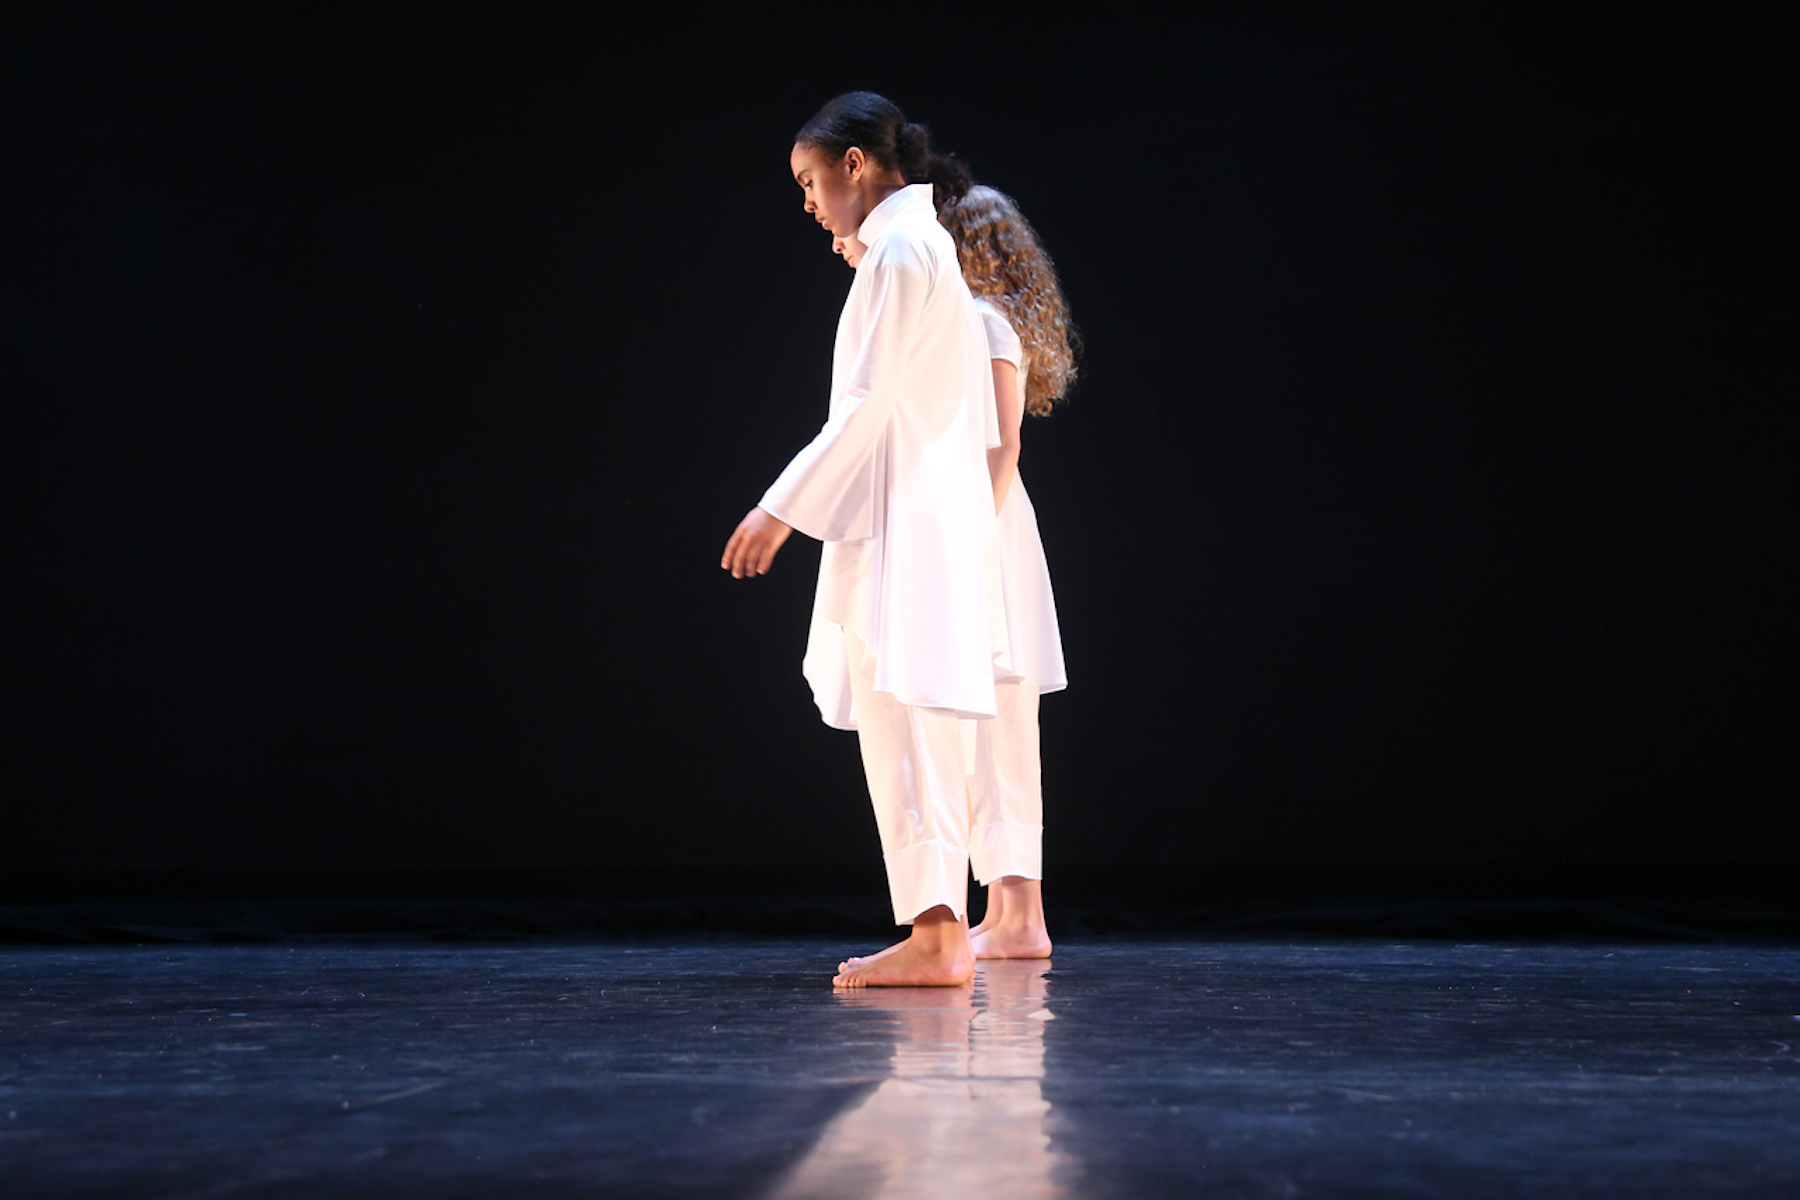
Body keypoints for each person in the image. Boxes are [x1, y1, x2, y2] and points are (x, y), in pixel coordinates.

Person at [720, 92, 1002, 988]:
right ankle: (941, 929)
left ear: (855, 167)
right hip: (922, 510)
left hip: (905, 517)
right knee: (915, 717)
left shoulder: (904, 250)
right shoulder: (916, 249)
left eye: (811, 181)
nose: (806, 203)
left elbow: (866, 404)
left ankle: (937, 935)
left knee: (902, 719)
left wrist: (779, 509)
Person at [832, 184, 1074, 965]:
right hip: (988, 520)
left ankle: (1015, 917)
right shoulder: (978, 316)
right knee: (1002, 723)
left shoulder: (979, 319)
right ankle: (1014, 916)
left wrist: (971, 538)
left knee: (997, 722)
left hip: (983, 523)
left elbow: (1002, 445)